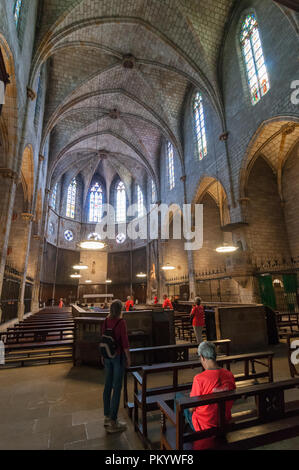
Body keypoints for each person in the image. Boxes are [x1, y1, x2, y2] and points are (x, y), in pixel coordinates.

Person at [184, 342, 236, 433]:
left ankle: (182, 435)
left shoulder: (199, 379)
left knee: (179, 399)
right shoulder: (229, 374)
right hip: (224, 420)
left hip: (204, 425)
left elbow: (191, 408)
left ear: (203, 358)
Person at [102, 300, 131, 434]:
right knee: (117, 386)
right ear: (120, 309)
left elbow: (102, 338)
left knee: (108, 385)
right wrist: (128, 357)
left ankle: (107, 416)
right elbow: (125, 342)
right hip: (118, 357)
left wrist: (102, 355)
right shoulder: (121, 322)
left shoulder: (106, 320)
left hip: (107, 356)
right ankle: (113, 421)